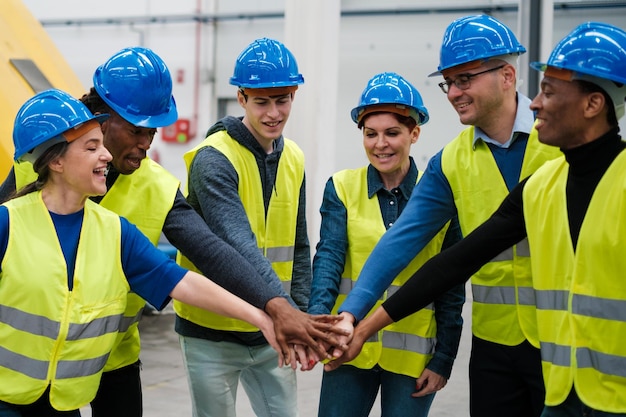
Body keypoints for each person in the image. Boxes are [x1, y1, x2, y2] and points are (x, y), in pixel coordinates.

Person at [0, 47, 344, 417]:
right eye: (136, 130)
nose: (147, 143)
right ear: (101, 121)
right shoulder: (25, 182)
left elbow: (209, 254)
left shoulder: (145, 201)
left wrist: (272, 310)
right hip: (21, 371)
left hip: (109, 352)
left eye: (152, 131)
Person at [328, 21, 626, 417]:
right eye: (448, 82)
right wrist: (355, 317)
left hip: (565, 346)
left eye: (464, 79)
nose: (453, 93)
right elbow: (420, 247)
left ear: (507, 76)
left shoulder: (563, 145)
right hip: (496, 342)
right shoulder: (456, 163)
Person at [308, 72, 465, 417]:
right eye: (371, 134)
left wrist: (444, 358)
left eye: (392, 133)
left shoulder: (439, 196)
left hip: (412, 355)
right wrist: (319, 329)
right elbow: (329, 259)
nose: (380, 144)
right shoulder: (342, 187)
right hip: (347, 346)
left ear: (414, 133)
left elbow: (452, 283)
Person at [174, 37, 310, 417]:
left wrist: (299, 312)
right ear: (241, 98)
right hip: (211, 333)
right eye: (262, 102)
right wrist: (288, 314)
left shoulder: (294, 156)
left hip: (273, 331)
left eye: (282, 100)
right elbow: (238, 244)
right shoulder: (213, 160)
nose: (273, 113)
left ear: (293, 95)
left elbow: (299, 246)